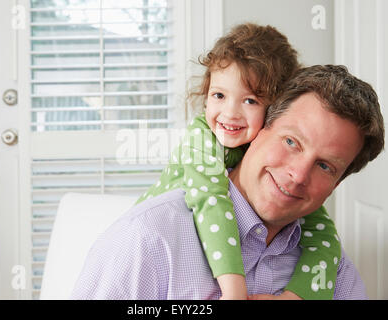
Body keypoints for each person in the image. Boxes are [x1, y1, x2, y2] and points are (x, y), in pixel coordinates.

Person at [71, 64, 385, 299]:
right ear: (259, 129)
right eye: (291, 142)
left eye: (325, 166)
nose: (299, 174)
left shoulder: (333, 272)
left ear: (337, 183)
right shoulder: (148, 239)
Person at [135, 23, 340, 300]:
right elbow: (212, 202)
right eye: (219, 95)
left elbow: (324, 237)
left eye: (250, 101)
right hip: (151, 248)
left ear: (275, 113)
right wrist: (234, 293)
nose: (229, 113)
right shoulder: (201, 138)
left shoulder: (264, 156)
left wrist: (297, 297)